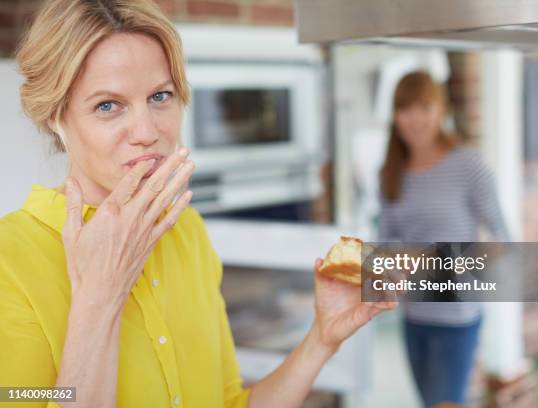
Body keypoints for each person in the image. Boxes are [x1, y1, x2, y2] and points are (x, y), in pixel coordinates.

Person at [0, 1, 396, 407]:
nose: (147, 131)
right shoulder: (10, 261)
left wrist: (321, 337)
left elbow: (230, 402)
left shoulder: (186, 232)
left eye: (160, 96)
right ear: (56, 118)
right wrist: (99, 300)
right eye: (108, 105)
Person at [377, 71, 510, 407]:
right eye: (405, 109)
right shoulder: (391, 173)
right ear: (395, 117)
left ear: (441, 110)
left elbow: (502, 238)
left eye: (425, 107)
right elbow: (387, 242)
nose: (415, 119)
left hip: (457, 318)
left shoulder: (468, 164)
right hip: (414, 316)